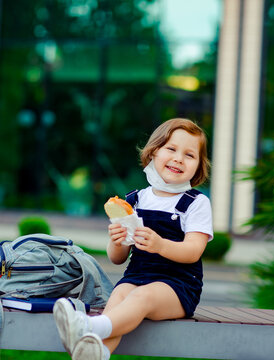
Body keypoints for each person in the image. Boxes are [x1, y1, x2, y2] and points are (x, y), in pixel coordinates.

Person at [53, 118, 213, 359]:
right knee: (119, 297)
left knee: (141, 296)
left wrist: (160, 245)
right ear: (153, 153)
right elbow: (117, 258)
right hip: (137, 275)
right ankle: (97, 352)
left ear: (199, 166)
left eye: (189, 155)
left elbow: (193, 251)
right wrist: (117, 240)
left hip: (177, 286)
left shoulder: (195, 203)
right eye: (171, 149)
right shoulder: (134, 200)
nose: (179, 158)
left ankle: (87, 326)